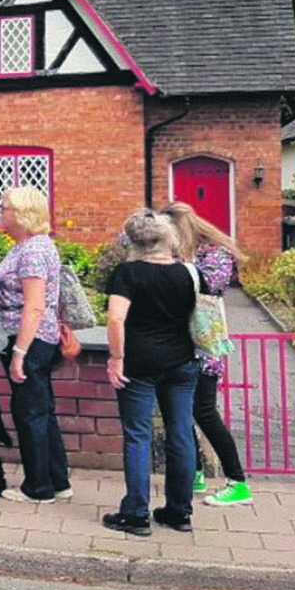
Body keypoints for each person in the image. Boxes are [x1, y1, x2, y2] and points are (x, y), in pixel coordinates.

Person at [103, 210, 202, 535]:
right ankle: (179, 511)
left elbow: (116, 319)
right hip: (182, 361)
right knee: (181, 433)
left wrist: (116, 358)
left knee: (137, 435)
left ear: (132, 240)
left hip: (139, 364)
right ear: (167, 238)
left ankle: (135, 513)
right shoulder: (188, 272)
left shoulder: (128, 273)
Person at [163, 201, 253, 508]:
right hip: (179, 345)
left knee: (204, 412)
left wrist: (175, 269)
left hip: (204, 347)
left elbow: (208, 288)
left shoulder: (214, 253)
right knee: (181, 413)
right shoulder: (180, 255)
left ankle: (238, 482)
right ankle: (195, 471)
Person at [0, 186, 73, 503]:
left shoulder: (34, 251)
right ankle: (58, 480)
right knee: (41, 409)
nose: (1, 215)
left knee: (30, 412)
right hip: (32, 337)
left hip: (30, 339)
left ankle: (38, 487)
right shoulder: (28, 246)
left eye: (5, 209)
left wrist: (19, 353)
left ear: (22, 214)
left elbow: (35, 305)